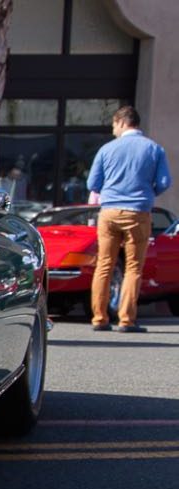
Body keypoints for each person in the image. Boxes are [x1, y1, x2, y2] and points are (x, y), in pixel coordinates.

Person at [87, 105, 172, 332]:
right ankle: (126, 319)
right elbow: (164, 182)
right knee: (134, 267)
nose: (113, 129)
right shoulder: (154, 149)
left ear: (123, 122)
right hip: (138, 212)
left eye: (114, 125)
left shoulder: (107, 149)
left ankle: (99, 318)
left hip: (109, 212)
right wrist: (146, 193)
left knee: (104, 265)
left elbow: (92, 184)